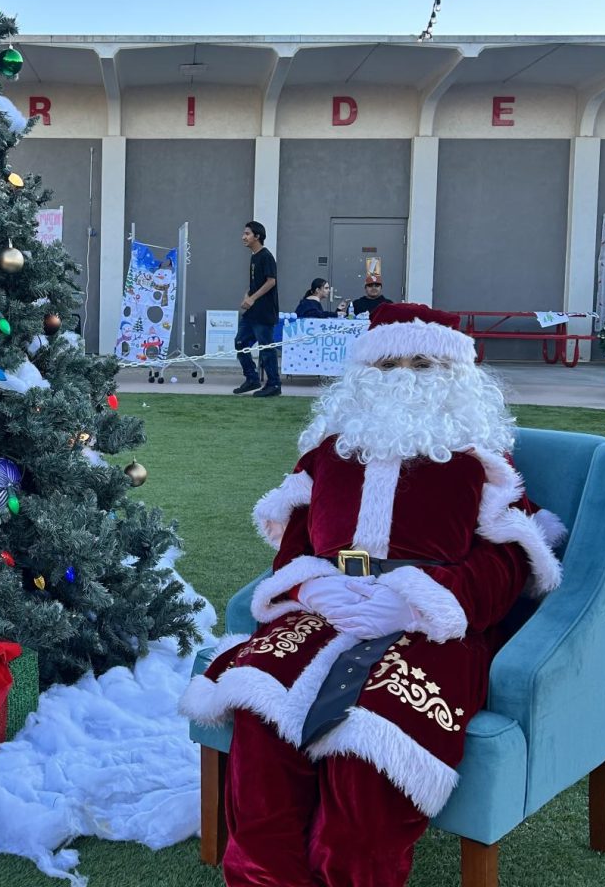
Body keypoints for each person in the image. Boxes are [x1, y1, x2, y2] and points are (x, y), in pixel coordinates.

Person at [181, 303, 566, 887]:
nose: (405, 375)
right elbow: (292, 542)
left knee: (370, 753)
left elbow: (510, 560)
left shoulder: (481, 464)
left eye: (423, 362)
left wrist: (416, 597)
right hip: (324, 612)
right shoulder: (328, 454)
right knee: (263, 719)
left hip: (428, 626)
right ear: (364, 370)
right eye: (389, 362)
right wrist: (313, 583)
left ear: (454, 372)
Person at [233, 221, 281, 398]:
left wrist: (252, 299)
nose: (243, 237)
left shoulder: (266, 256)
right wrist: (247, 296)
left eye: (247, 234)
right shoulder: (254, 257)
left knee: (266, 348)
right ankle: (252, 378)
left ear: (257, 236)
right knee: (240, 343)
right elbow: (255, 283)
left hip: (264, 311)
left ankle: (274, 384)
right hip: (252, 313)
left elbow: (271, 281)